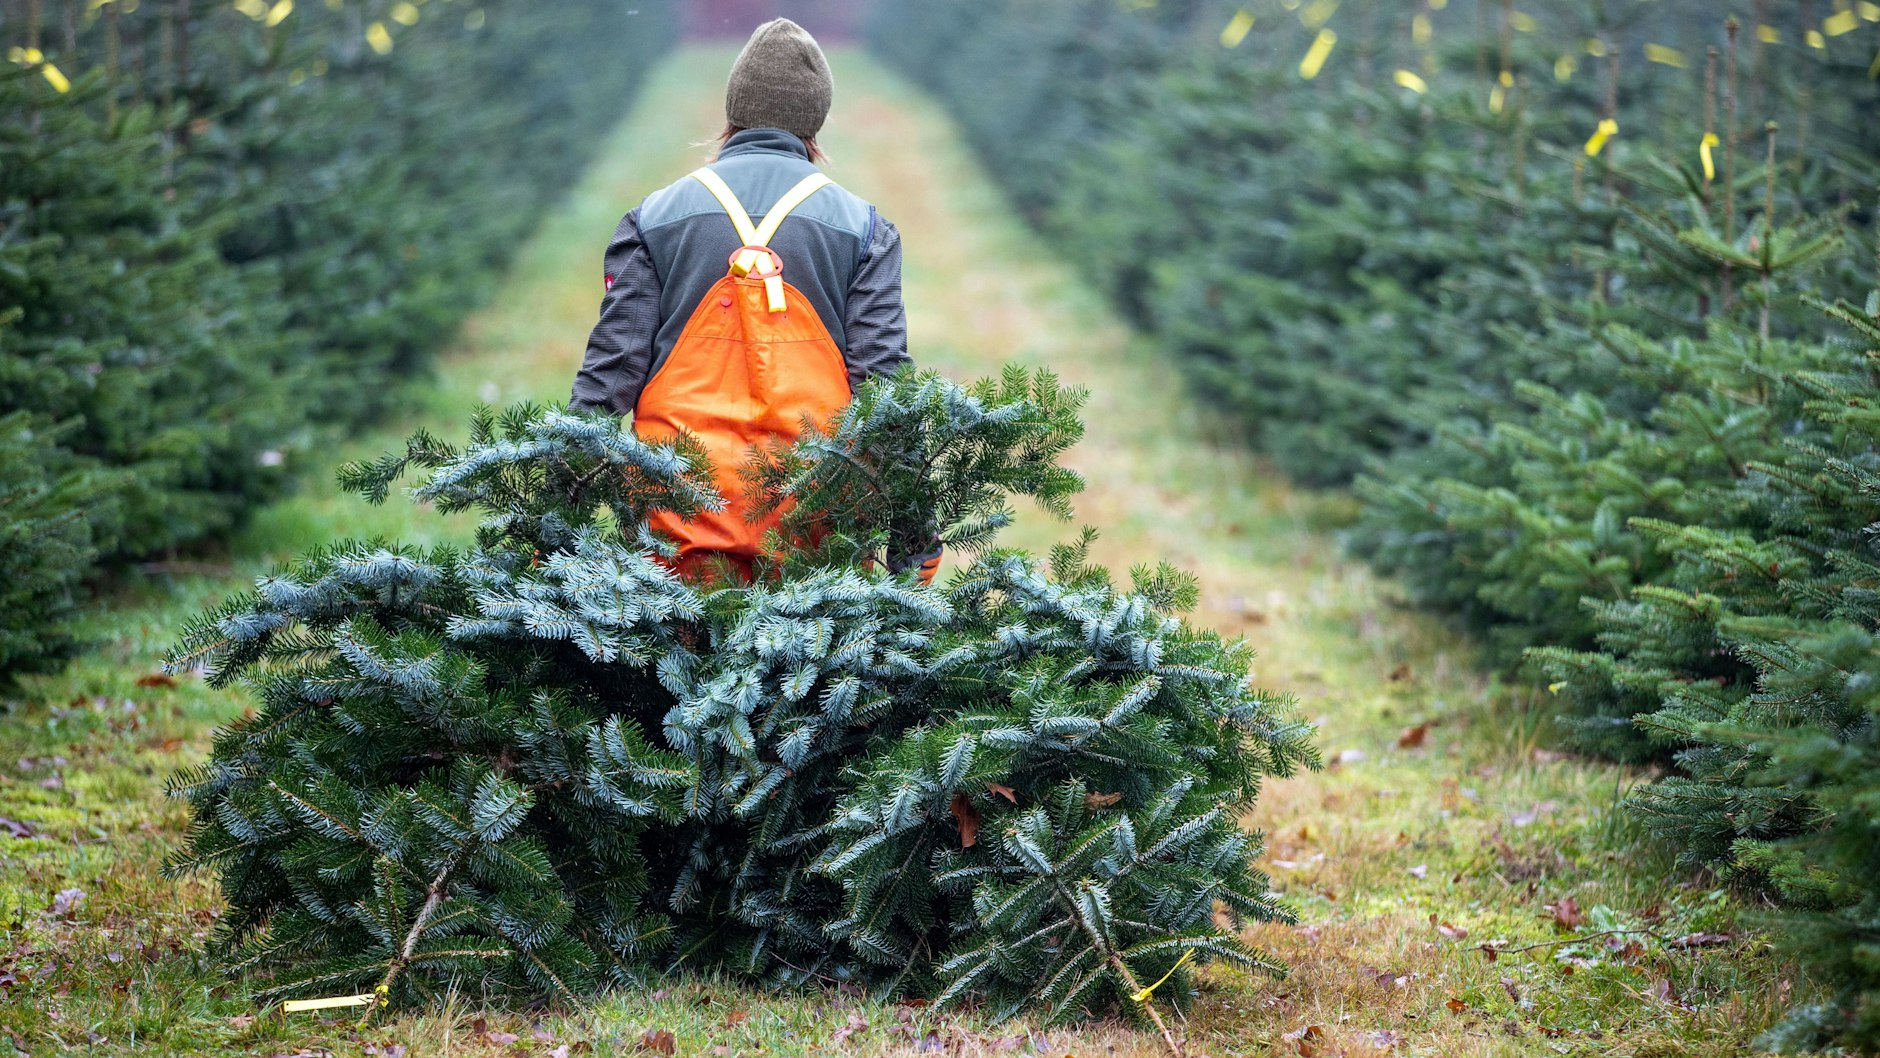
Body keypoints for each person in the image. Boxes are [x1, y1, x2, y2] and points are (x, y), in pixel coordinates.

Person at [570, 18, 925, 582]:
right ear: (816, 123)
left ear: (731, 113)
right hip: (814, 544)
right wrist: (915, 539)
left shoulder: (654, 218)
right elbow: (885, 390)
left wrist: (548, 522)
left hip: (676, 534)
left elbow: (608, 377)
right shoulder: (866, 231)